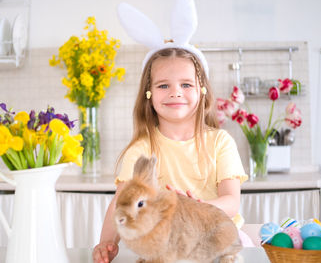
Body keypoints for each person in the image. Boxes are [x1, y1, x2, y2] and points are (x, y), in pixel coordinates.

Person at [92, 47, 250, 263]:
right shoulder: (141, 149)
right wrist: (106, 243)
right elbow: (122, 202)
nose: (175, 92)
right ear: (149, 94)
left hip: (217, 241)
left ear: (201, 90)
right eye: (163, 85)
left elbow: (232, 202)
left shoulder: (221, 142)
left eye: (186, 84)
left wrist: (199, 207)